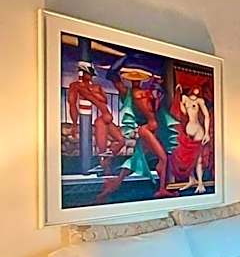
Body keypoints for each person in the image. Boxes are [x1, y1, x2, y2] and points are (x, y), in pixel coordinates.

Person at [96, 57, 176, 202]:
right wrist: (124, 59)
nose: (137, 79)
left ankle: (113, 184)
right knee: (163, 157)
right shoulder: (128, 93)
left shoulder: (147, 93)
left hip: (151, 130)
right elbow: (112, 76)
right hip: (146, 131)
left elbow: (156, 105)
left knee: (136, 160)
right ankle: (161, 189)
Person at [67, 60, 126, 172]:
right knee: (102, 150)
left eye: (91, 74)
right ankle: (104, 169)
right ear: (82, 73)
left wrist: (93, 94)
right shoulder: (76, 86)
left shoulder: (97, 87)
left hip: (107, 118)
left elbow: (105, 100)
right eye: (88, 73)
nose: (90, 76)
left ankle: (105, 163)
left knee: (121, 141)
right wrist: (74, 123)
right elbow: (72, 104)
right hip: (100, 120)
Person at [170, 84, 212, 194]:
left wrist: (207, 133)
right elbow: (183, 113)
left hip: (198, 130)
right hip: (188, 130)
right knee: (188, 157)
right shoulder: (184, 99)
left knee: (198, 158)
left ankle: (200, 183)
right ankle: (192, 179)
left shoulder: (200, 101)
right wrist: (178, 95)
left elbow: (207, 116)